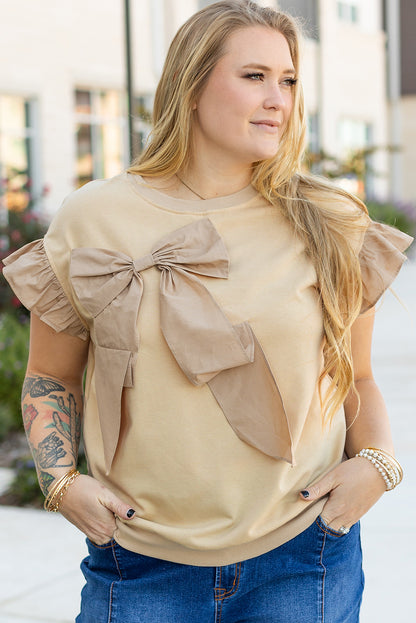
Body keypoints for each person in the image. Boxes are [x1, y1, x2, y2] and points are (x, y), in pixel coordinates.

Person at [2, 1, 413, 621]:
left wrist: (377, 466)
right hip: (139, 562)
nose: (278, 99)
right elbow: (51, 374)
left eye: (288, 80)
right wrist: (61, 482)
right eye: (254, 76)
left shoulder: (330, 221)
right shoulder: (93, 217)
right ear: (191, 87)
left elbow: (355, 376)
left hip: (303, 555)